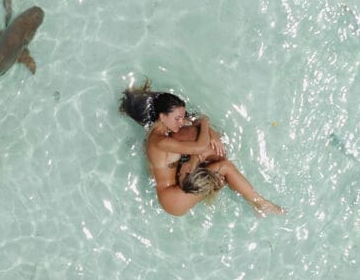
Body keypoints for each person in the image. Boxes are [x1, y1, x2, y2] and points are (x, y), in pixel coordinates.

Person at [120, 81, 284, 217]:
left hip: (179, 182)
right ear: (162, 116)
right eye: (177, 118)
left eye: (181, 116)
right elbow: (199, 146)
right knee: (224, 166)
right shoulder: (160, 141)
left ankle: (227, 186)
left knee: (216, 165)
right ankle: (260, 203)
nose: (181, 121)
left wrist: (209, 133)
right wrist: (205, 121)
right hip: (173, 199)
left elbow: (192, 127)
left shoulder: (163, 129)